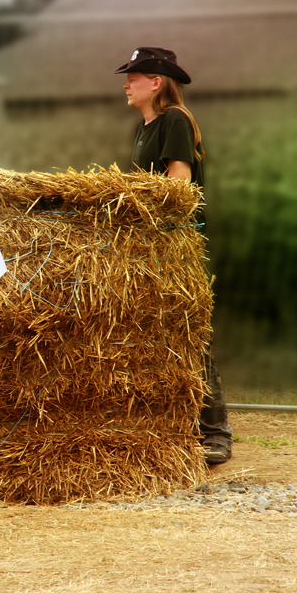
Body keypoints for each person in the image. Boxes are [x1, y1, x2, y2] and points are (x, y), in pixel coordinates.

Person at [114, 47, 233, 465]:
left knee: (189, 334)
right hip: (150, 246)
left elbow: (177, 187)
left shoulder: (175, 121)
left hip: (176, 244)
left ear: (157, 82)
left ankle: (216, 431)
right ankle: (171, 430)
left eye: (134, 76)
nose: (126, 83)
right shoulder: (145, 127)